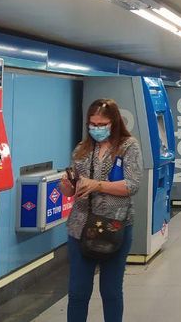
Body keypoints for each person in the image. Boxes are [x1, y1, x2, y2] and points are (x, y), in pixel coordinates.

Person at [59, 99, 142, 322]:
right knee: (78, 292)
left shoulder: (128, 146)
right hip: (80, 228)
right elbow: (71, 190)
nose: (97, 128)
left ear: (114, 122)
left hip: (115, 226)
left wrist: (97, 184)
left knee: (111, 291)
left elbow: (132, 185)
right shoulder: (81, 149)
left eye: (102, 123)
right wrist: (67, 186)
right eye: (92, 123)